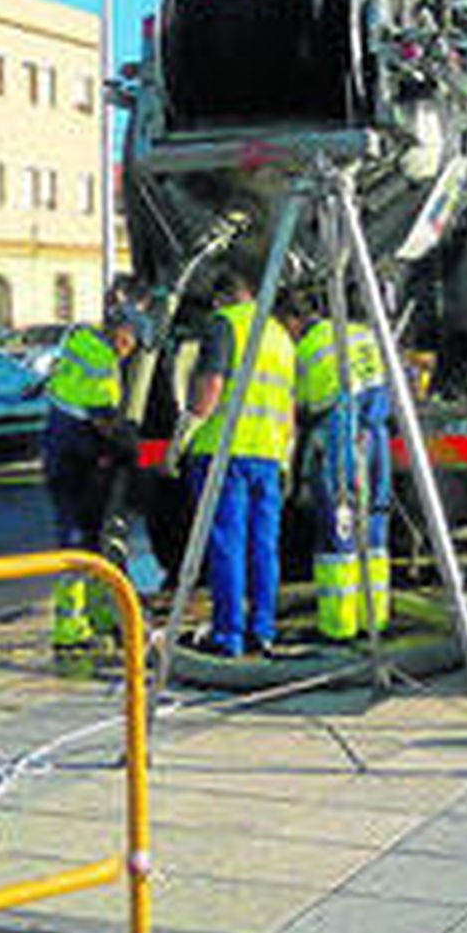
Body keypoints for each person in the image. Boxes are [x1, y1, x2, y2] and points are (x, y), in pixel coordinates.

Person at [166, 269, 295, 658]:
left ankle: (229, 635)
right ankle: (263, 629)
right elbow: (289, 408)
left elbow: (210, 390)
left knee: (227, 545)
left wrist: (183, 435)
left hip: (224, 454)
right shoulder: (280, 336)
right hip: (268, 455)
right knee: (264, 547)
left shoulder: (224, 325)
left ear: (221, 299)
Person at [282, 288, 392, 641]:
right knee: (374, 528)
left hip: (338, 436)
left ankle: (337, 626)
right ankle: (374, 618)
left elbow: (298, 408)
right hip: (377, 437)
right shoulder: (362, 333)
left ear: (293, 321)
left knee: (337, 531)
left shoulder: (306, 349)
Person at [43, 297, 151, 652]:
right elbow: (105, 422)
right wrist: (148, 451)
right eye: (131, 340)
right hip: (76, 461)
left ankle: (96, 615)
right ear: (122, 332)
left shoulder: (81, 342)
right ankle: (70, 628)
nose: (129, 349)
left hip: (66, 455)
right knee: (77, 542)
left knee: (89, 539)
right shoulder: (102, 362)